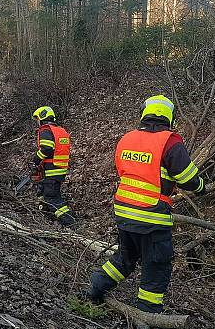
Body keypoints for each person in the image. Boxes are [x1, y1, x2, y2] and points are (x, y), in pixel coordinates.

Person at [88, 94, 205, 313]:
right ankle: (147, 312)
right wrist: (201, 187)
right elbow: (188, 180)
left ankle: (96, 285)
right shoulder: (170, 141)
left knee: (126, 257)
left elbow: (130, 172)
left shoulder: (127, 139)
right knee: (156, 264)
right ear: (169, 116)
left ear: (144, 112)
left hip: (124, 212)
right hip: (152, 216)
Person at [31, 106, 76, 227]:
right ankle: (45, 213)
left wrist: (36, 159)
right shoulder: (61, 130)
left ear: (42, 117)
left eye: (37, 119)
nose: (37, 122)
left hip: (51, 169)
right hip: (60, 169)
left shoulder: (45, 130)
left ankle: (70, 222)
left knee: (52, 198)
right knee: (45, 192)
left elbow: (47, 149)